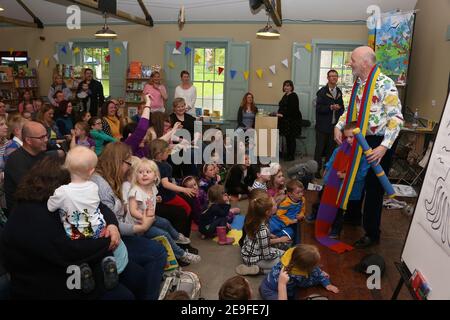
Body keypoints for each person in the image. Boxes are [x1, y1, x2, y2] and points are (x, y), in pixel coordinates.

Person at [1, 156, 145, 299]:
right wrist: (108, 240)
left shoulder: (57, 198)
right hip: (47, 285)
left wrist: (112, 225)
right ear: (62, 184)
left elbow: (99, 207)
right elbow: (72, 250)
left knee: (137, 277)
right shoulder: (34, 215)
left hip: (73, 269)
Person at [334, 46, 404, 248]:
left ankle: (372, 233)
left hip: (380, 141)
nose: (349, 63)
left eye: (352, 60)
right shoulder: (359, 84)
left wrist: (384, 147)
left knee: (374, 188)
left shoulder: (385, 84)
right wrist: (339, 126)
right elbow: (351, 111)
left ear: (365, 62)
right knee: (354, 177)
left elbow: (397, 119)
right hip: (359, 137)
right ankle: (354, 216)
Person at [91, 142, 167, 299]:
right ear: (118, 161)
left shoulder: (108, 179)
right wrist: (139, 227)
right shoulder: (101, 185)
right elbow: (111, 223)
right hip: (110, 241)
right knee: (158, 252)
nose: (129, 167)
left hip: (118, 234)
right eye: (128, 163)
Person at [47, 147, 128, 284]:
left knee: (79, 251)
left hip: (76, 233)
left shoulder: (63, 191)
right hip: (98, 229)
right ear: (91, 171)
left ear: (66, 167)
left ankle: (83, 269)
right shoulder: (93, 187)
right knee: (101, 246)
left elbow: (50, 207)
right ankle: (108, 261)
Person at [127, 157, 200, 264]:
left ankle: (177, 237)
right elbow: (132, 210)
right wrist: (144, 218)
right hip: (140, 224)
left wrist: (156, 199)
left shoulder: (151, 187)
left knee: (166, 223)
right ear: (135, 175)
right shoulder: (135, 191)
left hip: (151, 217)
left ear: (156, 176)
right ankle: (182, 255)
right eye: (140, 172)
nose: (144, 174)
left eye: (148, 172)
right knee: (164, 234)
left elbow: (147, 201)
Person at [324, 122, 370, 239]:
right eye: (347, 137)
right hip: (336, 185)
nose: (349, 140)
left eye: (352, 137)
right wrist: (327, 168)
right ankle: (333, 227)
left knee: (343, 208)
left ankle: (338, 229)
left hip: (352, 188)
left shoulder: (364, 154)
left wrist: (346, 176)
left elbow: (361, 174)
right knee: (334, 205)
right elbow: (332, 159)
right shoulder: (341, 149)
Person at [4, 121, 61, 213]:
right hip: (23, 213)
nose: (46, 139)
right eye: (41, 137)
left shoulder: (42, 155)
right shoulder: (16, 160)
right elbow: (31, 191)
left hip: (41, 207)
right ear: (28, 140)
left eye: (46, 135)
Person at [259, 244, 339, 300]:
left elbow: (316, 271)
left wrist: (325, 282)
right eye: (315, 264)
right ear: (306, 267)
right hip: (271, 292)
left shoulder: (291, 257)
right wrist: (323, 281)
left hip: (268, 283)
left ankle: (260, 271)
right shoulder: (297, 276)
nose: (317, 266)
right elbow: (306, 283)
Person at [237, 193, 287, 276]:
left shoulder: (256, 218)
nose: (276, 204)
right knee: (284, 265)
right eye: (274, 204)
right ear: (267, 212)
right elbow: (267, 255)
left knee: (284, 254)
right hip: (253, 258)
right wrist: (279, 254)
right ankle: (258, 271)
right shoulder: (262, 230)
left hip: (249, 252)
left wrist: (270, 236)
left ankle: (258, 268)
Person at [149, 139, 195, 217]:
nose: (169, 153)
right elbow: (165, 184)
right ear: (160, 154)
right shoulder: (164, 166)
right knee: (187, 208)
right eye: (167, 152)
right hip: (166, 196)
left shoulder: (149, 163)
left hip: (158, 194)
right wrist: (184, 189)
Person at [314, 70, 344, 177]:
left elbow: (342, 108)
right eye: (331, 76)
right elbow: (318, 108)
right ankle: (316, 170)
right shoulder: (322, 92)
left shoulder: (339, 92)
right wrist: (330, 107)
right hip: (322, 126)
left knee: (330, 150)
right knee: (319, 149)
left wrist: (339, 109)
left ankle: (327, 169)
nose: (333, 78)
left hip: (334, 126)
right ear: (328, 78)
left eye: (335, 76)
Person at [269, 180, 306, 244]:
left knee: (291, 234)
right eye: (298, 193)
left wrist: (301, 214)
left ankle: (277, 237)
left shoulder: (302, 199)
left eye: (302, 191)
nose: (301, 194)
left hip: (289, 224)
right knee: (272, 228)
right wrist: (290, 221)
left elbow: (303, 209)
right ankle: (272, 237)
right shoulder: (286, 203)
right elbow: (279, 214)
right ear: (290, 194)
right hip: (279, 221)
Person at [276, 80, 302, 161]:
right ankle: (288, 154)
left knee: (291, 139)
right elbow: (282, 107)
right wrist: (278, 113)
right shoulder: (285, 95)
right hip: (285, 121)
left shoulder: (293, 96)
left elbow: (293, 109)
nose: (286, 87)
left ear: (291, 87)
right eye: (285, 85)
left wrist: (282, 114)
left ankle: (291, 156)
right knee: (288, 138)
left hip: (292, 121)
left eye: (288, 86)